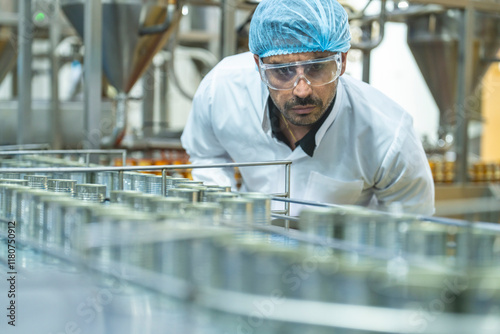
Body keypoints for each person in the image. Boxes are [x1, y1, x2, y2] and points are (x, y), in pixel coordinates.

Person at [181, 0, 435, 216]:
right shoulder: (222, 90)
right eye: (282, 70)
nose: (301, 90)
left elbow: (410, 229)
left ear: (342, 61)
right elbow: (206, 154)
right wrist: (228, 214)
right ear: (258, 65)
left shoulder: (388, 135)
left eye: (316, 67)